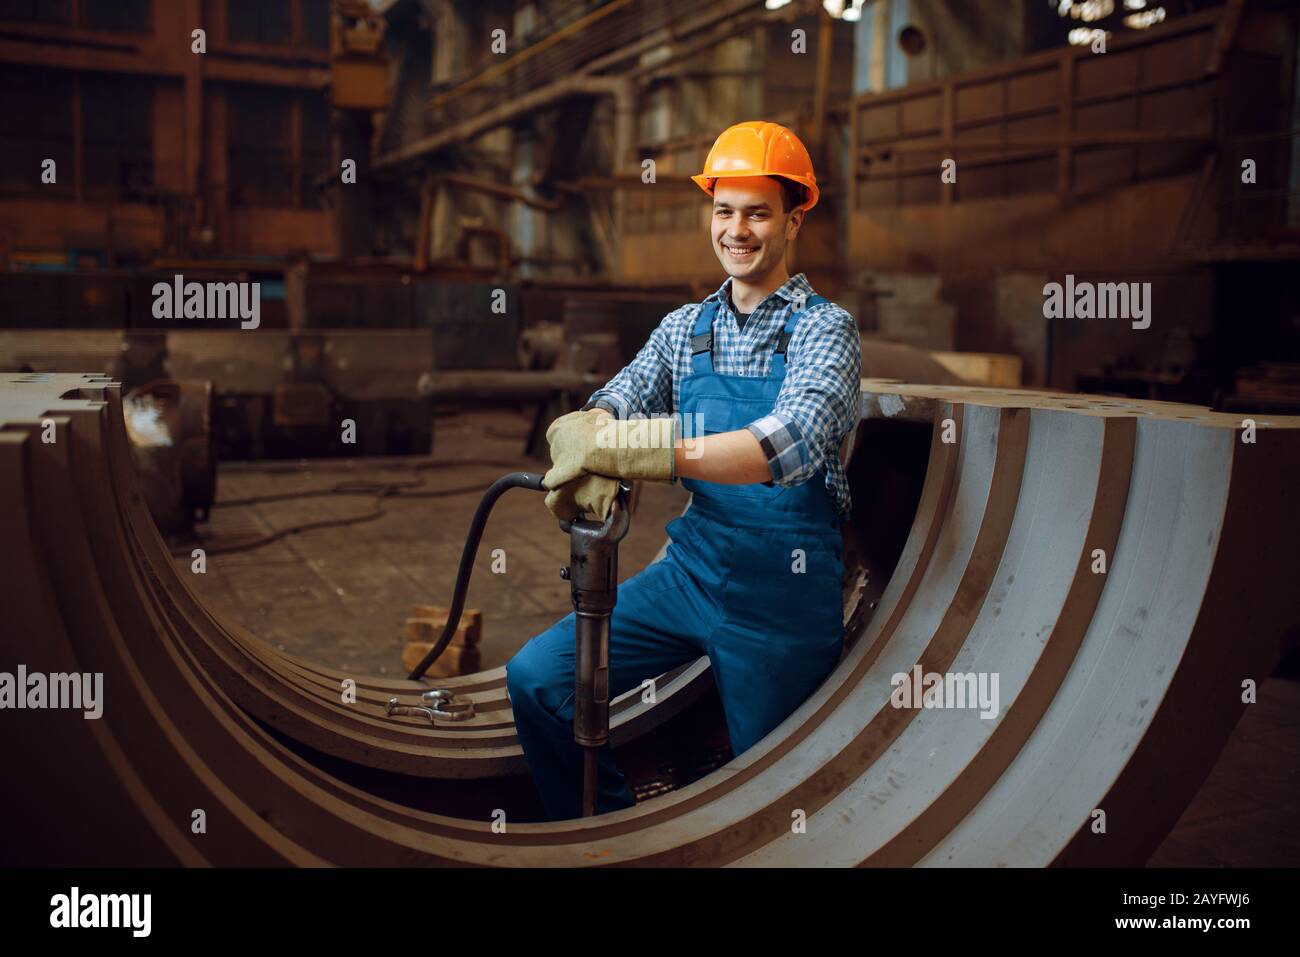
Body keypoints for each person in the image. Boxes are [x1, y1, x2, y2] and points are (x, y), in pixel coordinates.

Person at [505, 121, 861, 821]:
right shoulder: (684, 328)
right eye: (724, 210)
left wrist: (647, 452)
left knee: (775, 796)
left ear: (793, 220)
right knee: (538, 681)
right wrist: (592, 429)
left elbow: (785, 445)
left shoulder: (826, 330)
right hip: (691, 573)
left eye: (758, 212)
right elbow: (619, 397)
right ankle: (608, 834)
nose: (737, 230)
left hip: (782, 597)